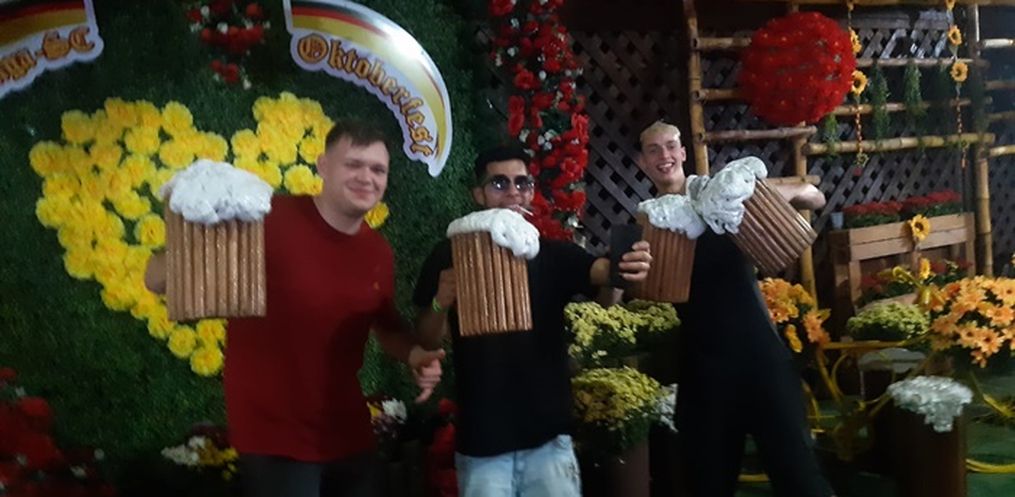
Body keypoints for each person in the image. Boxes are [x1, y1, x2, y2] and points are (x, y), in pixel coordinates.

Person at [145, 120, 444, 497]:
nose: (366, 177)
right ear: (323, 166)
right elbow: (155, 279)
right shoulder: (267, 218)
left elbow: (385, 325)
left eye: (377, 169)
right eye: (353, 164)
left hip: (347, 432)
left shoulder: (378, 251)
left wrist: (416, 354)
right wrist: (188, 245)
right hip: (274, 437)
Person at [412, 145, 653, 497]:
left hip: (549, 442)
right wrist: (440, 302)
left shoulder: (551, 254)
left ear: (530, 192)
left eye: (522, 183)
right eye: (499, 183)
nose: (513, 192)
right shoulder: (448, 255)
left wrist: (626, 266)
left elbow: (604, 286)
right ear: (478, 194)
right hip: (483, 444)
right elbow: (427, 340)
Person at [633, 121, 833, 497]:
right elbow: (626, 280)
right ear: (642, 162)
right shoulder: (650, 222)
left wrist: (778, 191)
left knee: (800, 477)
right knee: (706, 483)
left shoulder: (724, 194)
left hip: (762, 361)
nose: (664, 155)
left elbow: (814, 197)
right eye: (653, 150)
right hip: (703, 371)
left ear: (683, 152)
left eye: (671, 146)